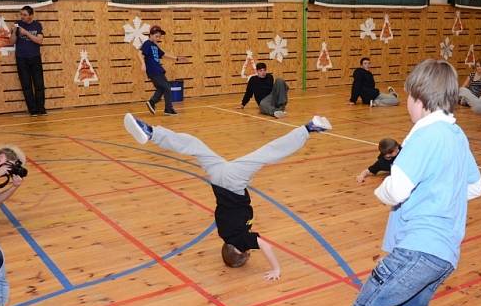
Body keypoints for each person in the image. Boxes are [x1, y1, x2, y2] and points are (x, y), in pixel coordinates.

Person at [351, 59, 481, 306]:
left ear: (417, 98)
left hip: (418, 250)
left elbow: (396, 188)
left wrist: (383, 190)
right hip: (443, 255)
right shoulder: (457, 136)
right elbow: (474, 187)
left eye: (408, 96)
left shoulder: (424, 135)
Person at [124, 112, 332, 280]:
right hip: (216, 179)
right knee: (195, 145)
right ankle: (151, 133)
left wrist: (276, 269)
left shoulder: (240, 239)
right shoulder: (224, 233)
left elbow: (265, 245)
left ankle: (309, 128)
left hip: (233, 182)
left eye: (246, 254)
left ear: (241, 251)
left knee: (268, 152)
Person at [10, 5, 46, 116]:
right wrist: (14, 31)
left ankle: (41, 109)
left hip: (35, 58)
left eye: (25, 15)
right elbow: (12, 42)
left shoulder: (37, 25)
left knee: (39, 84)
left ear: (31, 15)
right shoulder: (17, 24)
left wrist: (26, 33)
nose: (22, 17)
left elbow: (39, 41)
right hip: (21, 59)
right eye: (21, 14)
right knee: (26, 85)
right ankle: (33, 110)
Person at [142, 25, 184, 116]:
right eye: (156, 36)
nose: (158, 38)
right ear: (151, 35)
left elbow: (164, 54)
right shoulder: (147, 43)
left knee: (162, 88)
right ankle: (168, 109)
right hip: (153, 70)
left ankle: (152, 102)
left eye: (159, 36)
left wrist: (176, 58)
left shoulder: (154, 46)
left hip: (158, 69)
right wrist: (143, 64)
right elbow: (140, 53)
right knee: (167, 87)